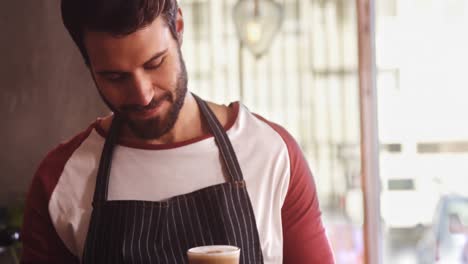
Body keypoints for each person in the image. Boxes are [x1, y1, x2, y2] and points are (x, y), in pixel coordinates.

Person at [20, 0, 335, 263]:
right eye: (115, 77)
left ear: (179, 27)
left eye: (155, 63)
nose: (142, 94)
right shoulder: (61, 180)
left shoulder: (270, 153)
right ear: (88, 64)